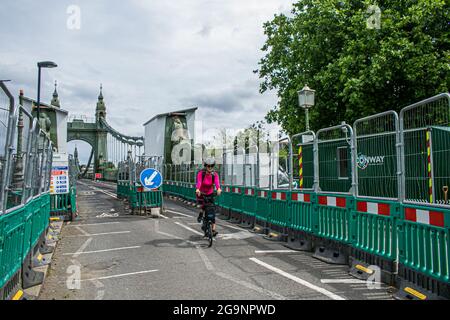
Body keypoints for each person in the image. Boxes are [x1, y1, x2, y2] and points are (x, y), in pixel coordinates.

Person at [195, 157, 222, 236]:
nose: (210, 168)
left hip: (210, 193)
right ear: (205, 166)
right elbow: (199, 182)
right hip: (201, 193)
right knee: (203, 206)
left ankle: (213, 229)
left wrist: (219, 189)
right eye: (208, 166)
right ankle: (201, 214)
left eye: (211, 166)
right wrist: (197, 189)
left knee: (212, 210)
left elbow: (217, 183)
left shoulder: (215, 175)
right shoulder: (201, 174)